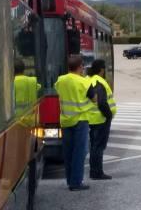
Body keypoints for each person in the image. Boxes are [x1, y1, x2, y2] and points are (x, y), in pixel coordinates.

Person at [55, 55, 96, 191]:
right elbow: (94, 98)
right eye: (82, 66)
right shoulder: (84, 82)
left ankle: (70, 180)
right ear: (80, 67)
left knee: (68, 152)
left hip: (66, 120)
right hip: (80, 120)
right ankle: (76, 182)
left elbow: (58, 90)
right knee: (80, 152)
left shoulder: (61, 80)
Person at [87, 59, 117, 180]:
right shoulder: (99, 82)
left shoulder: (88, 80)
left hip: (91, 118)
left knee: (94, 146)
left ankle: (93, 171)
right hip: (100, 119)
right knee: (98, 146)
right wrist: (109, 115)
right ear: (101, 70)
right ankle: (97, 172)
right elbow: (102, 102)